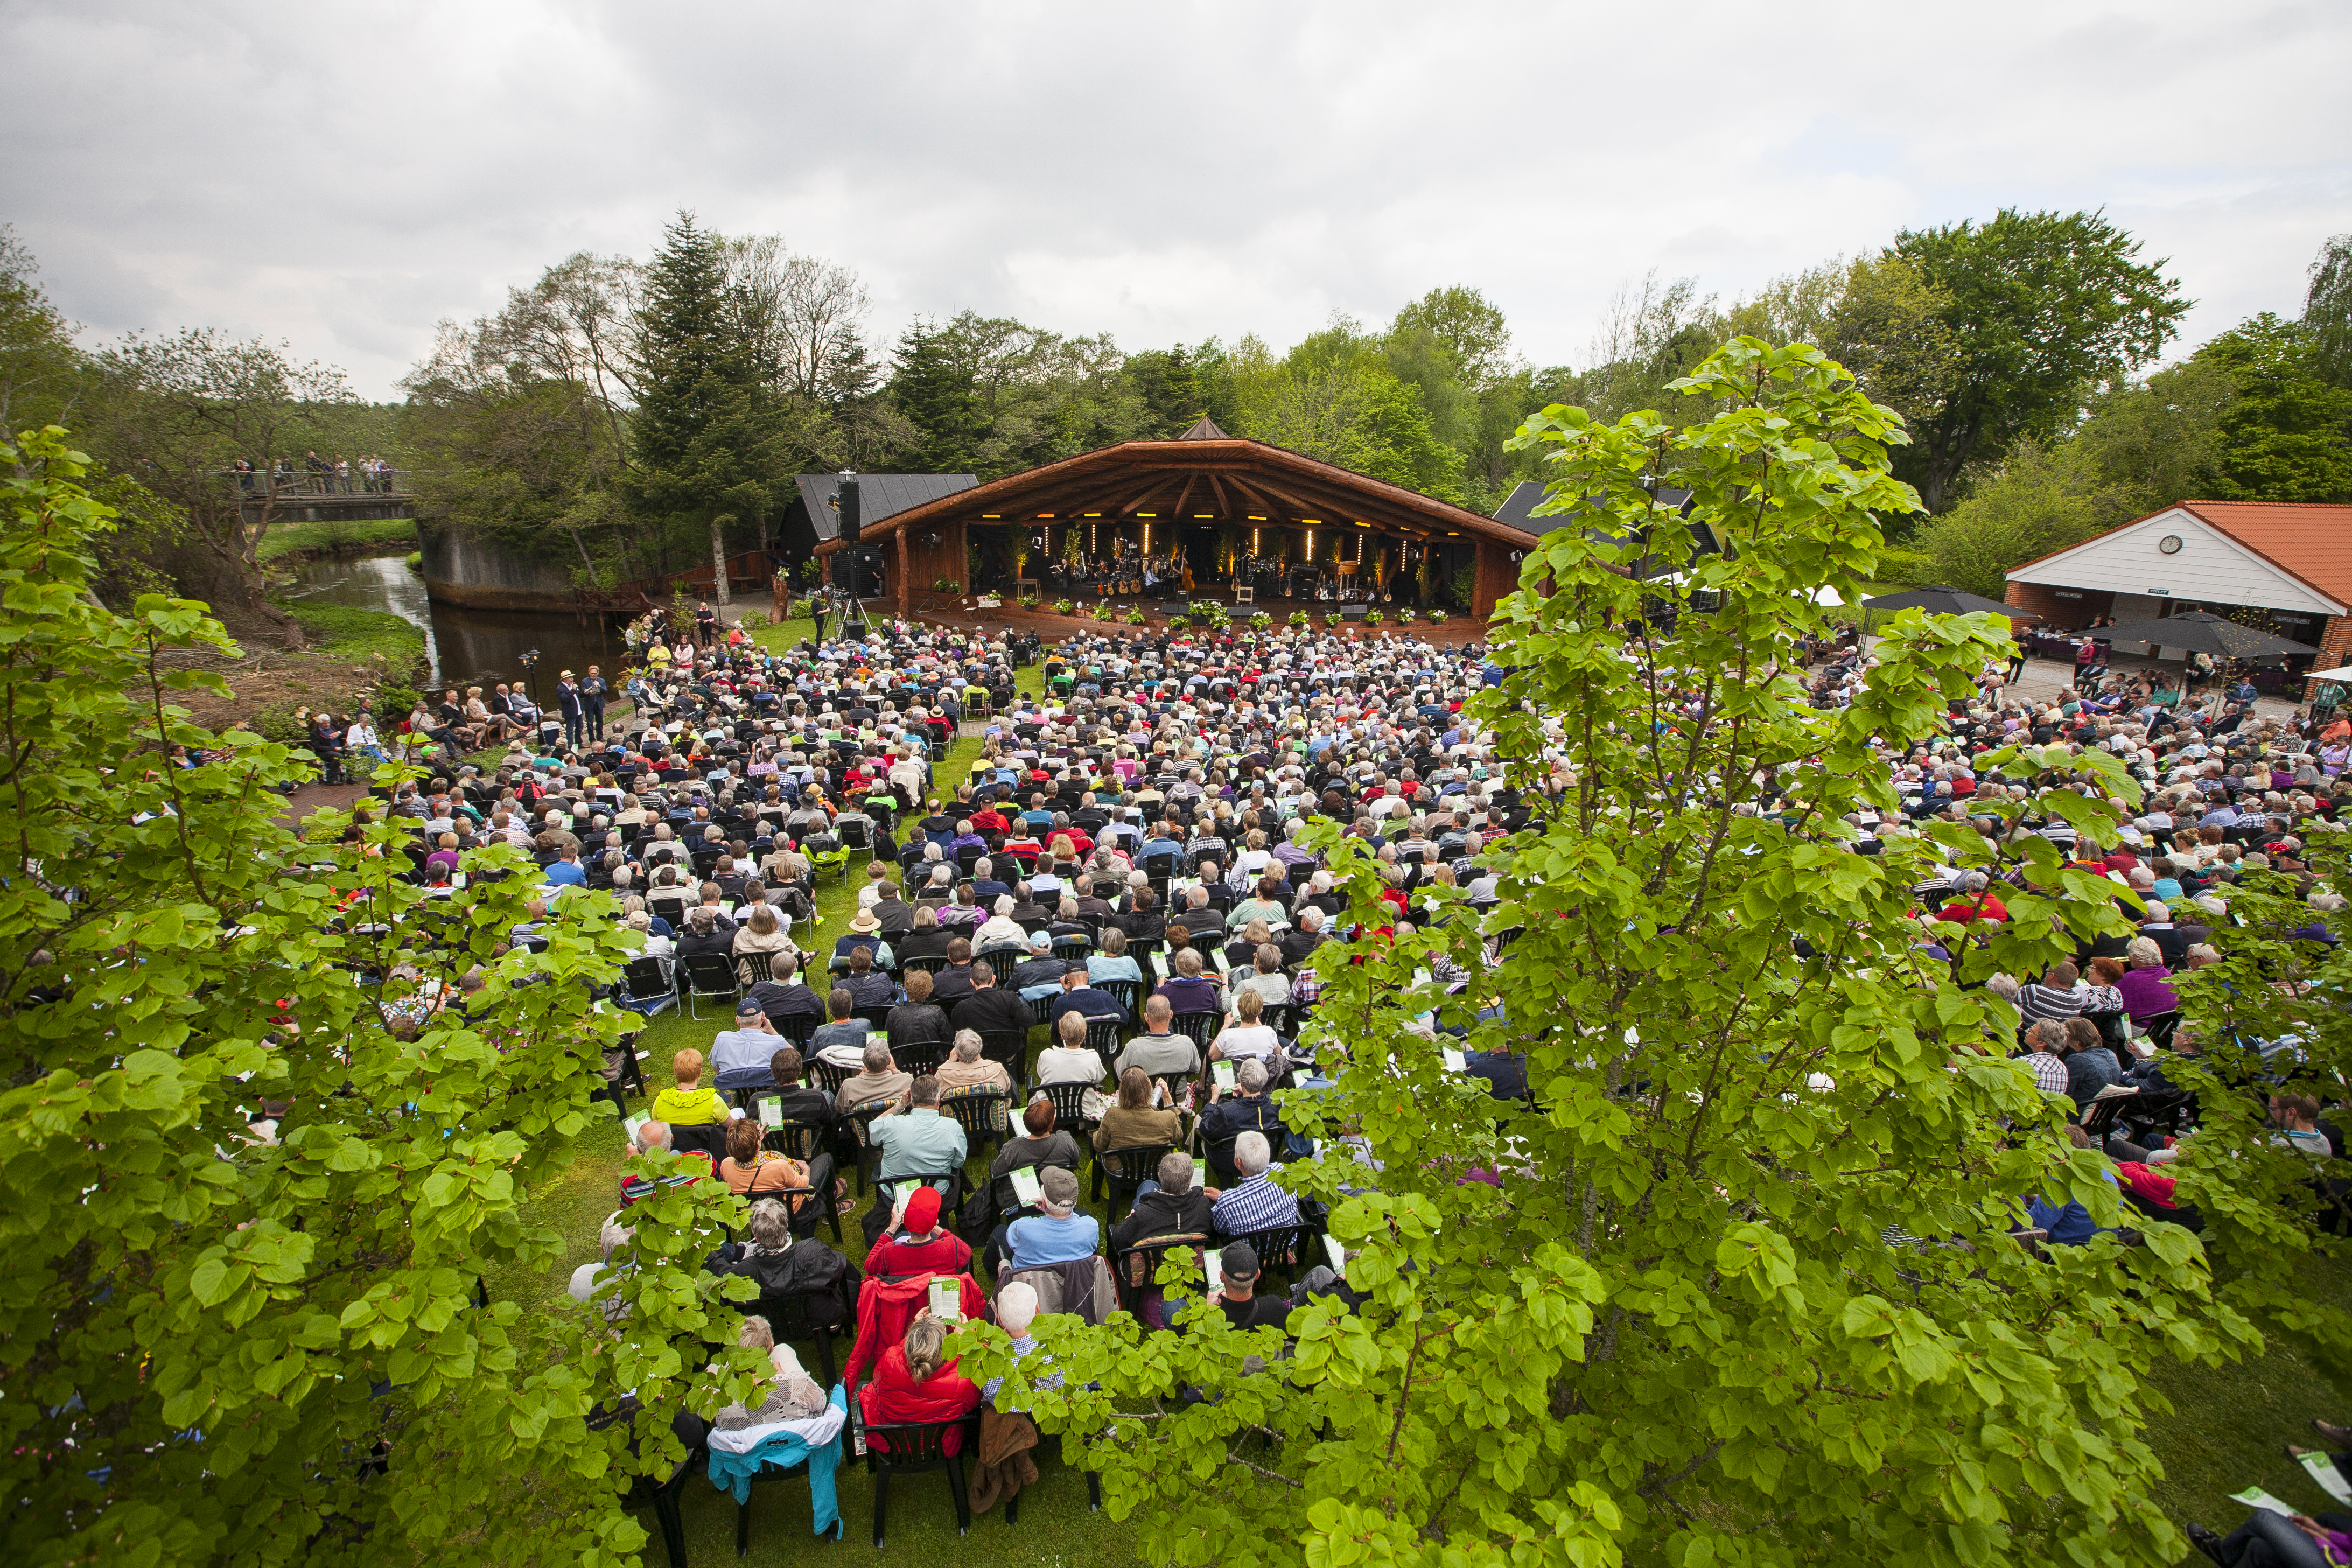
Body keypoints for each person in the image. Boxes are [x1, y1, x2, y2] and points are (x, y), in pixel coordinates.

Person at [857, 1314, 981, 1456]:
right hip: (940, 1445)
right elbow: (973, 1403)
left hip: (894, 1443)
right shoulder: (961, 1379)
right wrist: (964, 1342)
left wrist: (917, 1333)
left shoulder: (889, 1361)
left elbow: (877, 1383)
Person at [869, 1074, 969, 1207]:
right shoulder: (953, 1128)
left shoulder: (891, 1124)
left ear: (911, 1100)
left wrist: (900, 1106)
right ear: (938, 1100)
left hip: (896, 1197)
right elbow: (958, 1162)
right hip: (936, 1197)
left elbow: (874, 1132)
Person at [1111, 1150, 1215, 1251]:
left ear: (1160, 1176)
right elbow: (1211, 1233)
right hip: (1190, 1262)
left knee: (1147, 1185)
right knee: (1148, 1184)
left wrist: (1129, 1220)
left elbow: (1118, 1240)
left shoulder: (1142, 1214)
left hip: (1149, 1263)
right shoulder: (1203, 1205)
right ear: (1189, 1183)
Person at [864, 1183, 975, 1277]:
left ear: (904, 1222)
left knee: (901, 1236)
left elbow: (869, 1265)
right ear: (937, 1221)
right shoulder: (951, 1247)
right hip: (935, 1295)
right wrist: (931, 1224)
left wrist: (892, 1228)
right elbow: (967, 1252)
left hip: (905, 1295)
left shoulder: (889, 1252)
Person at [1003, 1165, 1100, 1270]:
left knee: (1000, 1231)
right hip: (1074, 1277)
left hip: (1033, 1278)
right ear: (1075, 1201)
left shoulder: (1022, 1227)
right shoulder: (1091, 1227)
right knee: (1082, 1212)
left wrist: (1048, 1210)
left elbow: (1010, 1240)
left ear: (1044, 1203)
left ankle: (993, 1272)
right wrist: (1053, 1209)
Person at [1209, 1128, 1300, 1236]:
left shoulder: (1227, 1203)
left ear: (1239, 1162)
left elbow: (1218, 1227)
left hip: (1246, 1247)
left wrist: (1224, 1198)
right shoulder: (1284, 1173)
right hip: (1286, 1243)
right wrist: (1225, 1197)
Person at [620, 1118, 712, 1205]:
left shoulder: (629, 1184)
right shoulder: (702, 1158)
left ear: (640, 1149)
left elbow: (629, 1212)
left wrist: (632, 1161)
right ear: (672, 1138)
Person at [1207, 1241, 1292, 1330]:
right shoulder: (1275, 1307)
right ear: (1258, 1275)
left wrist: (1208, 1309)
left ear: (1222, 1277)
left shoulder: (1213, 1318)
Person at [1095, 1066, 1181, 1152]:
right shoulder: (1168, 1118)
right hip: (1159, 1162)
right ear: (1149, 1086)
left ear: (1121, 1091)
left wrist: (1097, 1133)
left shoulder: (1113, 1115)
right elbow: (1178, 1135)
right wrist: (1167, 1098)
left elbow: (1099, 1146)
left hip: (1121, 1162)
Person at [1113, 996, 1202, 1079]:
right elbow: (1196, 1069)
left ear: (1146, 1017)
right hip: (1178, 1091)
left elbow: (1121, 1074)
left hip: (1145, 1091)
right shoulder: (1187, 1044)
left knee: (1118, 1062)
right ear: (1171, 1015)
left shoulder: (1133, 1048)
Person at [708, 1000, 781, 1094]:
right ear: (763, 1017)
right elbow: (793, 1065)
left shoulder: (722, 1038)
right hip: (768, 1097)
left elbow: (717, 1070)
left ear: (737, 1020)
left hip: (733, 1098)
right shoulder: (777, 1041)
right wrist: (772, 1032)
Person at [950, 961, 1033, 1039]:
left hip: (977, 1048)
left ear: (972, 982)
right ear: (994, 979)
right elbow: (1029, 1019)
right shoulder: (1010, 998)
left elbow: (956, 1031)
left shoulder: (961, 1008)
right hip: (1008, 1046)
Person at [651, 1049, 726, 1125]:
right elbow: (730, 1127)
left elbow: (656, 1127)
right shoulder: (713, 1101)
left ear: (675, 1073)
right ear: (700, 1073)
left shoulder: (660, 1101)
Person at [838, 1039, 912, 1115]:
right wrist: (895, 1070)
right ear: (889, 1061)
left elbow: (840, 1109)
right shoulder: (907, 1081)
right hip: (896, 1122)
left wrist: (861, 1076)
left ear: (864, 1061)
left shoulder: (848, 1086)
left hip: (866, 1123)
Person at [2117, 935, 2179, 1021]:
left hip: (2139, 1024)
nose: (2129, 958)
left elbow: (2112, 997)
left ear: (2135, 956)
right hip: (2162, 1023)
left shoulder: (2129, 978)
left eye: (2128, 954)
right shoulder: (2165, 973)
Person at [936, 1027, 1014, 1095]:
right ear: (979, 1049)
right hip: (988, 1109)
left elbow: (936, 1097)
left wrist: (949, 1063)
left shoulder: (942, 1075)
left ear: (957, 1052)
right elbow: (1006, 1090)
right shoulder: (997, 1070)